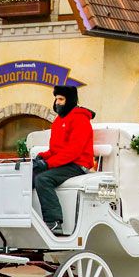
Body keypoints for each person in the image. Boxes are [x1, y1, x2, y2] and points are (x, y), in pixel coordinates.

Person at [32, 84, 94, 234]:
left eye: (61, 99)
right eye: (56, 99)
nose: (57, 102)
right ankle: (26, 217)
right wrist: (42, 157)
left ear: (70, 100)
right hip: (64, 163)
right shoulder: (59, 121)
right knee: (27, 176)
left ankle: (54, 222)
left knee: (43, 179)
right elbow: (55, 150)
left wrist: (47, 164)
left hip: (78, 164)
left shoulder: (80, 119)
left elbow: (73, 151)